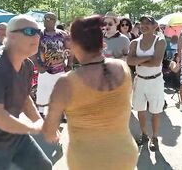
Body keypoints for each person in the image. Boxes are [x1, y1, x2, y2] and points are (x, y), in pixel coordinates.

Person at [42, 15, 138, 170]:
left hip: (87, 161)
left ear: (74, 44)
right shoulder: (122, 67)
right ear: (101, 42)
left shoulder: (66, 83)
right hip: (125, 155)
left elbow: (49, 130)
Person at [0, 15, 52, 170]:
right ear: (11, 36)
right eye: (29, 31)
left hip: (13, 136)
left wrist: (39, 121)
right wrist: (32, 128)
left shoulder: (27, 65)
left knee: (43, 166)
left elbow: (24, 98)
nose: (37, 36)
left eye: (38, 31)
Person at [127, 16, 166, 151]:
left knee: (155, 111)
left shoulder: (159, 41)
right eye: (142, 23)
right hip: (140, 80)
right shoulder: (134, 43)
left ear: (154, 25)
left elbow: (157, 62)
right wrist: (149, 57)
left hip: (155, 80)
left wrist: (138, 59)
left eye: (147, 23)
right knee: (140, 109)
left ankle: (154, 137)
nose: (144, 26)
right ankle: (144, 135)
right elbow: (129, 61)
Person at [35, 12, 71, 116]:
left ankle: (63, 114)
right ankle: (41, 113)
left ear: (54, 21)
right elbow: (32, 50)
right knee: (42, 91)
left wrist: (69, 64)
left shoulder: (63, 35)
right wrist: (38, 66)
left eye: (49, 19)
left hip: (60, 68)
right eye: (45, 18)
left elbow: (70, 49)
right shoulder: (39, 35)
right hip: (44, 68)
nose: (46, 20)